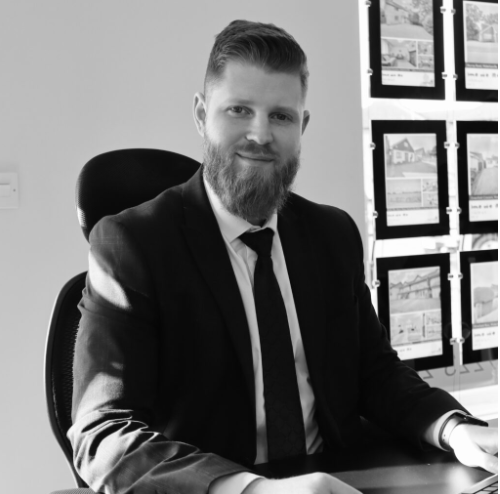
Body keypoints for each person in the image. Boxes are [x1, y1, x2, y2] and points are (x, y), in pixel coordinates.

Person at [68, 19, 498, 494]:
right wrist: (253, 490)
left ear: (302, 126)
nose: (260, 134)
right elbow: (102, 433)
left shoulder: (331, 234)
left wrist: (455, 429)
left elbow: (375, 374)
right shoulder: (132, 245)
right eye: (239, 110)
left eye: (280, 116)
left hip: (343, 480)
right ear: (201, 115)